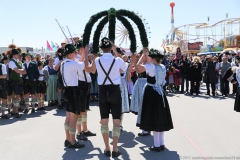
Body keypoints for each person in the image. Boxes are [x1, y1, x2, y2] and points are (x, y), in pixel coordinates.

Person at [94, 37, 128, 158]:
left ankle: (107, 148)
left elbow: (93, 71)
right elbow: (124, 68)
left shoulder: (97, 60)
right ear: (111, 48)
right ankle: (115, 149)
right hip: (115, 90)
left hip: (103, 91)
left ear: (101, 48)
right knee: (116, 121)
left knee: (104, 121)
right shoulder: (117, 60)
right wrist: (116, 52)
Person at [137, 48, 173, 152]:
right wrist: (147, 56)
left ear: (153, 58)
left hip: (151, 93)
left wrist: (143, 56)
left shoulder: (151, 67)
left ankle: (157, 145)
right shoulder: (162, 67)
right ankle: (160, 143)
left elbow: (138, 66)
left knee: (154, 117)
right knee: (160, 117)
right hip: (160, 93)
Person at [61, 44, 85, 148]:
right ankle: (72, 141)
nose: (76, 54)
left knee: (68, 117)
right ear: (70, 54)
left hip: (66, 90)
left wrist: (83, 54)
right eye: (75, 52)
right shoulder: (71, 63)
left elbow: (79, 63)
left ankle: (67, 139)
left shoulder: (64, 63)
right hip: (73, 92)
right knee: (73, 118)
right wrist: (86, 54)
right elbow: (83, 65)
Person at [75, 40, 96, 141]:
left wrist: (94, 60)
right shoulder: (76, 58)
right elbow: (86, 69)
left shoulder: (84, 58)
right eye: (83, 48)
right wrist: (86, 55)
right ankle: (79, 132)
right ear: (79, 49)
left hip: (87, 84)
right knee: (80, 110)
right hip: (80, 84)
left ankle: (85, 129)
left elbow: (93, 70)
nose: (86, 50)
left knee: (85, 109)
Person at [129, 50, 149, 136]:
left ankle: (145, 128)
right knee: (141, 105)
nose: (140, 56)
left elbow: (137, 70)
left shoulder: (148, 64)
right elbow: (131, 69)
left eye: (142, 55)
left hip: (144, 83)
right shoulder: (142, 63)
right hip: (139, 83)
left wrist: (141, 57)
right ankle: (145, 127)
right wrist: (133, 60)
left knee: (144, 105)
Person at [8, 48, 26, 118]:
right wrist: (21, 70)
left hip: (20, 80)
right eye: (17, 54)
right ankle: (16, 112)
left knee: (17, 96)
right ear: (14, 55)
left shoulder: (19, 62)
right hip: (14, 80)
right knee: (16, 96)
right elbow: (17, 71)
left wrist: (20, 70)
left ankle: (14, 111)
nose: (19, 55)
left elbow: (25, 72)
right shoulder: (11, 62)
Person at [0, 54, 9, 119]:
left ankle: (3, 113)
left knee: (4, 99)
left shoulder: (2, 66)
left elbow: (5, 76)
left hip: (2, 84)